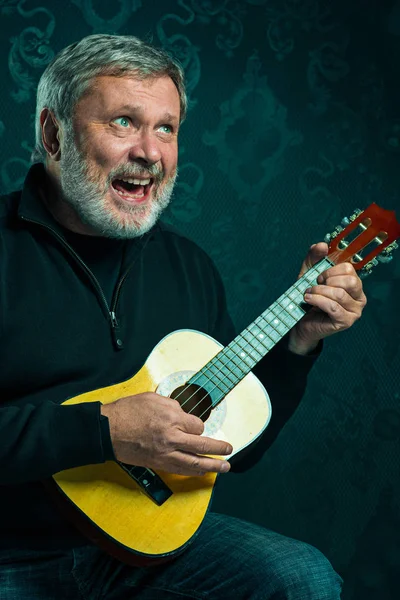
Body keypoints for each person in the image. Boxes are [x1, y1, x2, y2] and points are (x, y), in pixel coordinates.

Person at [0, 34, 367, 599]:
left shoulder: (189, 267)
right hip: (11, 551)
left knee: (302, 578)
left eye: (166, 128)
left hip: (142, 548)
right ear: (53, 134)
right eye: (124, 122)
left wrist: (299, 344)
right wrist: (101, 433)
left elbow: (230, 448)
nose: (151, 152)